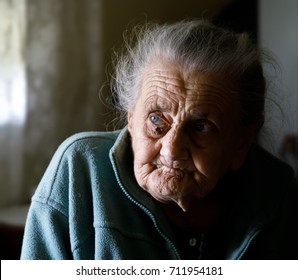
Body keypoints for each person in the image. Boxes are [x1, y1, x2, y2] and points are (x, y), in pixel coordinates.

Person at [21, 19, 298, 260]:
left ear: (242, 140)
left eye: (201, 127)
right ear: (131, 118)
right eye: (156, 120)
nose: (172, 149)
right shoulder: (80, 169)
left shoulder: (277, 193)